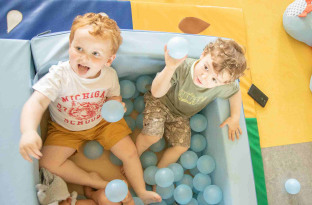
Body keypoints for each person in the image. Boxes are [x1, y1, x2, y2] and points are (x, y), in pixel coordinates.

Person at [19, 13, 161, 204]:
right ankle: (93, 180)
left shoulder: (109, 75)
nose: (84, 58)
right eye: (79, 48)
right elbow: (36, 102)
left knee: (130, 152)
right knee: (46, 163)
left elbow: (113, 94)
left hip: (102, 123)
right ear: (70, 45)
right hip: (65, 128)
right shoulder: (60, 76)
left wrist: (116, 104)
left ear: (108, 60)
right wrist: (28, 131)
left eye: (95, 54)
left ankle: (141, 190)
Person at [136, 38, 247, 169]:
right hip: (160, 102)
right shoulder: (182, 68)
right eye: (206, 67)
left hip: (180, 116)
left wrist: (234, 117)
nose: (205, 77)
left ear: (224, 83)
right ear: (204, 53)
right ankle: (134, 156)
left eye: (214, 79)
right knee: (152, 136)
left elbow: (235, 92)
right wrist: (170, 68)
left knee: (182, 147)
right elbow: (156, 92)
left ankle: (160, 173)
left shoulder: (222, 86)